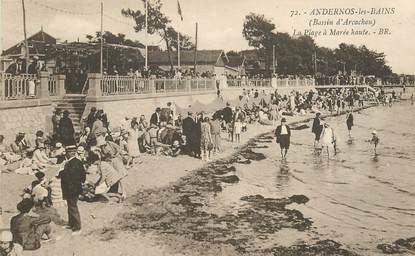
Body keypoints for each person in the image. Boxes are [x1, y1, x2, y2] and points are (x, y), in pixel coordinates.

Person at [58, 145, 86, 235]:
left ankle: (77, 227)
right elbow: (83, 176)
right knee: (70, 207)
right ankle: (71, 224)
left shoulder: (70, 164)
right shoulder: (77, 162)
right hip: (74, 188)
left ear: (70, 153)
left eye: (67, 152)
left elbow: (68, 177)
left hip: (71, 189)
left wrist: (61, 172)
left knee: (73, 207)